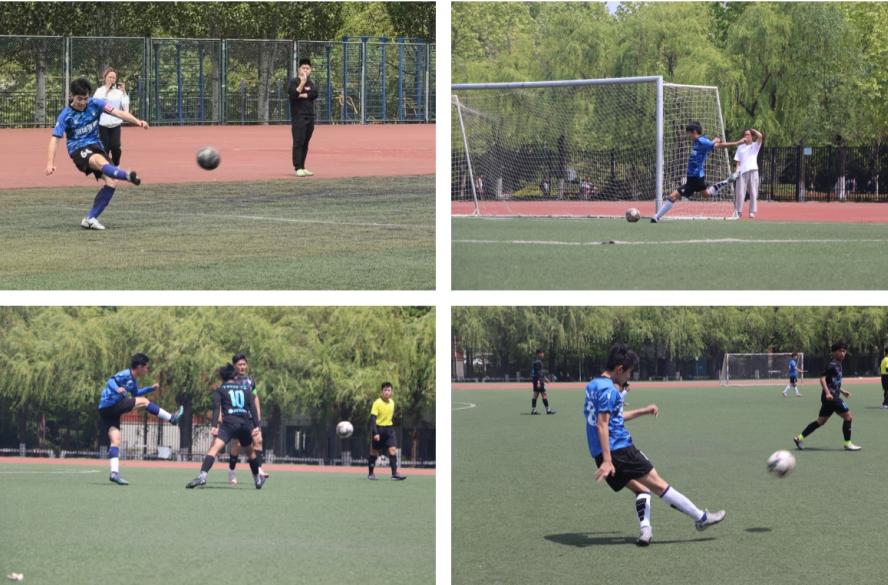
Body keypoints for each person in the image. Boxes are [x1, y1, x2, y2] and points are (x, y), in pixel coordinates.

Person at [586, 343, 726, 546]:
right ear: (619, 369)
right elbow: (602, 424)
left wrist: (643, 410)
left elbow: (613, 418)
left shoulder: (593, 385)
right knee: (659, 485)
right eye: (629, 373)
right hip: (619, 450)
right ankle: (701, 518)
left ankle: (645, 530)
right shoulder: (609, 390)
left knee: (642, 489)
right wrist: (608, 460)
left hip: (599, 452)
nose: (629, 377)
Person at [46, 78, 149, 230]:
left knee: (111, 182)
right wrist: (50, 163)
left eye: (85, 98)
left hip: (96, 145)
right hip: (78, 149)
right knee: (99, 161)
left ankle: (90, 218)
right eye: (79, 99)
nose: (83, 102)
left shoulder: (96, 103)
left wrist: (138, 121)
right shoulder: (65, 115)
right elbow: (55, 139)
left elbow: (119, 113)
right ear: (72, 96)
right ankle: (126, 175)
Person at [98, 353, 183, 485]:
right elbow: (111, 381)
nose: (147, 370)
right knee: (144, 401)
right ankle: (172, 418)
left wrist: (150, 389)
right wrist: (117, 388)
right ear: (139, 367)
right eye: (146, 367)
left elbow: (135, 393)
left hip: (106, 411)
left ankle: (114, 473)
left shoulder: (132, 380)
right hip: (111, 404)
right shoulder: (126, 374)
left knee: (115, 440)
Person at [187, 364, 265, 489]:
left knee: (214, 449)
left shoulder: (220, 390)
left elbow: (216, 408)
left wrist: (214, 425)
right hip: (245, 424)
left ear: (222, 377)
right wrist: (257, 426)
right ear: (235, 376)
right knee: (250, 452)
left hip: (229, 425)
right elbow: (253, 408)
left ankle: (202, 476)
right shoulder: (246, 389)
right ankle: (257, 479)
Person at [651, 121, 742, 222]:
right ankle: (726, 181)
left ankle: (656, 217)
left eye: (689, 133)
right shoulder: (697, 141)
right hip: (694, 177)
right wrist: (714, 140)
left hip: (695, 177)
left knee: (673, 196)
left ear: (694, 132)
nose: (688, 135)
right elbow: (711, 144)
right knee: (706, 194)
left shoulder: (702, 141)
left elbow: (717, 145)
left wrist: (736, 143)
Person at [793, 342, 861, 451]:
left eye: (844, 351)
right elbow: (822, 378)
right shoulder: (832, 365)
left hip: (830, 397)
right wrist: (828, 393)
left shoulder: (839, 364)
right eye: (840, 351)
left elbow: (833, 382)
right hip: (831, 397)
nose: (843, 353)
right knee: (848, 417)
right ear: (834, 352)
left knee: (820, 421)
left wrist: (843, 391)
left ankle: (799, 438)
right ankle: (848, 443)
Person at [225, 353, 269, 484]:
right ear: (235, 366)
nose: (242, 367)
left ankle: (259, 470)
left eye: (244, 364)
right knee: (237, 444)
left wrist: (258, 418)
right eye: (240, 364)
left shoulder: (250, 381)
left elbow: (255, 398)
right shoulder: (231, 381)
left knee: (258, 440)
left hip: (250, 418)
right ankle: (231, 471)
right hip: (237, 417)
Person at [368, 382, 406, 481]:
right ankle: (371, 473)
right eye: (385, 390)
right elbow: (372, 419)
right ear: (381, 392)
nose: (387, 392)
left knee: (392, 450)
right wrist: (375, 433)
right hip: (378, 429)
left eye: (389, 390)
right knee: (374, 452)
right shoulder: (377, 403)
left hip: (389, 429)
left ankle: (394, 474)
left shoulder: (392, 402)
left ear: (391, 392)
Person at [288, 58, 319, 177]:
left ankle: (303, 166)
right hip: (298, 117)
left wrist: (304, 94)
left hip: (310, 116)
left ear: (310, 70)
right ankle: (297, 167)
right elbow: (293, 95)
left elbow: (314, 93)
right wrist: (302, 83)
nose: (305, 70)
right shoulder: (294, 82)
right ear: (299, 69)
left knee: (306, 142)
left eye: (307, 68)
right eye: (303, 68)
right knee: (298, 141)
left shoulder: (311, 83)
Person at [93, 68, 130, 166]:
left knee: (116, 147)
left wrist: (124, 92)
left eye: (114, 78)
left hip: (115, 124)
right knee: (104, 148)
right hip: (103, 124)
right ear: (105, 78)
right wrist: (107, 91)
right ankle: (106, 168)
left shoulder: (118, 92)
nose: (112, 79)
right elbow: (97, 104)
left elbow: (125, 107)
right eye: (110, 77)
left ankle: (116, 165)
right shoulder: (99, 91)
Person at [733, 128, 763, 218]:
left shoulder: (755, 145)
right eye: (745, 134)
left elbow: (760, 136)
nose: (746, 136)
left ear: (751, 136)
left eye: (748, 134)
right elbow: (738, 162)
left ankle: (752, 212)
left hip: (753, 170)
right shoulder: (740, 147)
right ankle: (738, 211)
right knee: (740, 193)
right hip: (742, 172)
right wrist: (736, 172)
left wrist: (753, 130)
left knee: (753, 192)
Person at [531, 349, 555, 415]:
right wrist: (539, 381)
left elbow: (539, 372)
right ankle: (548, 410)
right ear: (539, 354)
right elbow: (538, 372)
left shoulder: (536, 361)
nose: (543, 354)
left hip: (536, 380)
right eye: (542, 353)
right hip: (538, 380)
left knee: (535, 394)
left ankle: (533, 410)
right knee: (544, 394)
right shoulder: (538, 362)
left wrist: (545, 378)